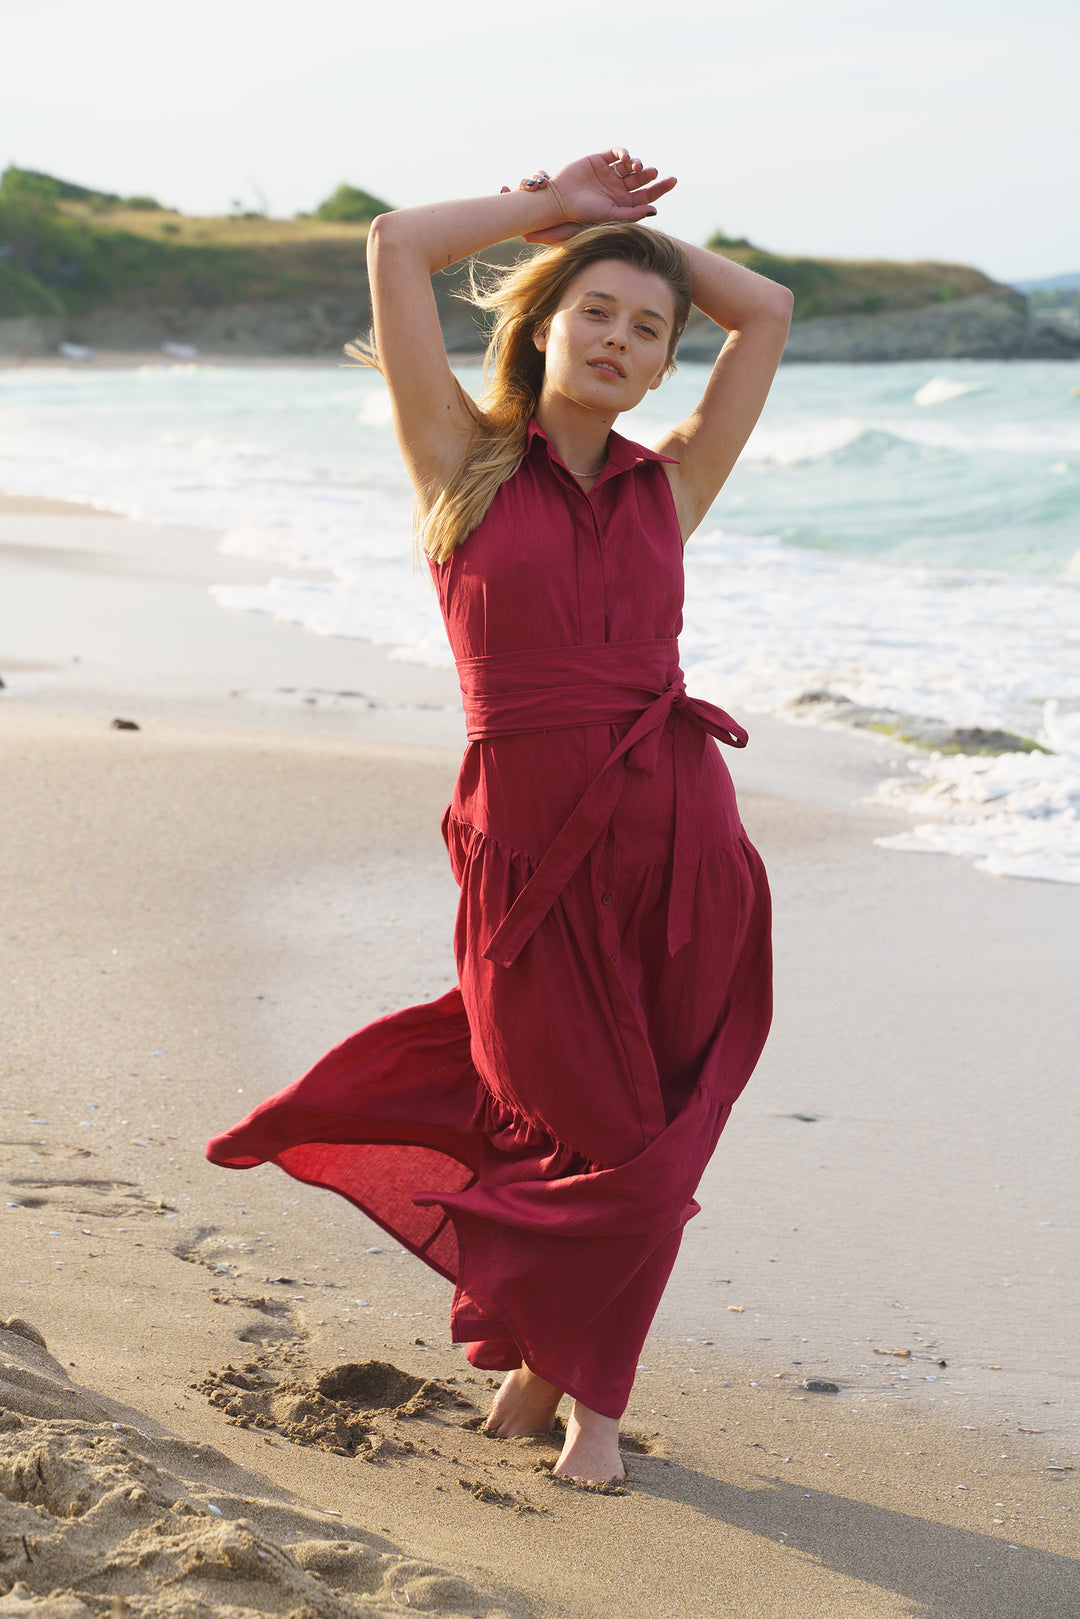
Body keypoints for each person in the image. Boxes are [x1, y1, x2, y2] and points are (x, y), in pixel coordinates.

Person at [207, 147, 792, 1484]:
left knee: (651, 1128)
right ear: (543, 322)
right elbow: (396, 243)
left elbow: (765, 312)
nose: (624, 339)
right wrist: (567, 217)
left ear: (659, 369)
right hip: (524, 853)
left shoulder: (674, 482)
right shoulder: (458, 460)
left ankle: (586, 1393)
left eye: (648, 331)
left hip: (685, 843)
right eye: (598, 312)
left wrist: (643, 253)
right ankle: (558, 1367)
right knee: (564, 1108)